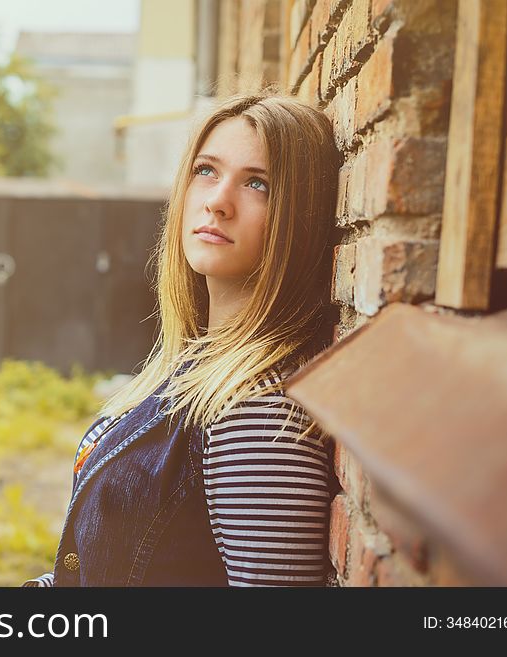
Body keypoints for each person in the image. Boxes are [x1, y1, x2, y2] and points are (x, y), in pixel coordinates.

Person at [24, 89, 341, 587]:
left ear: (298, 218)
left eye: (258, 184)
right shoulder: (196, 362)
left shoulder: (256, 415)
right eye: (207, 171)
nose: (218, 202)